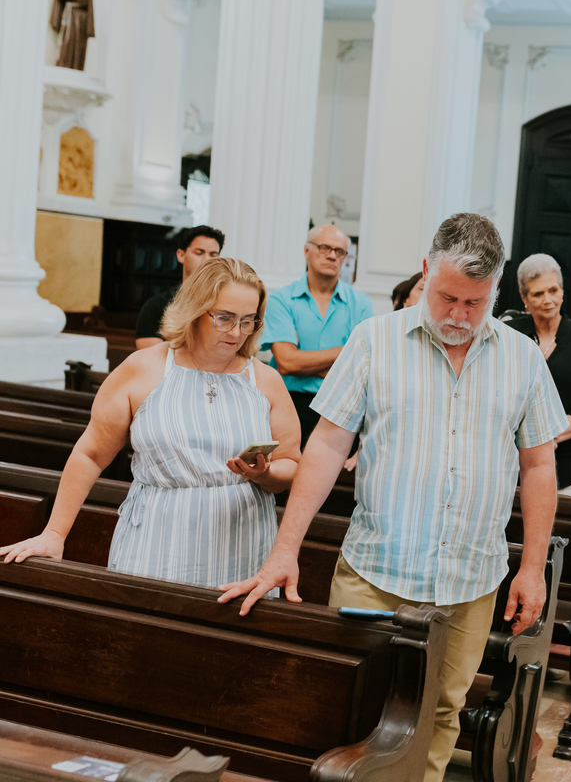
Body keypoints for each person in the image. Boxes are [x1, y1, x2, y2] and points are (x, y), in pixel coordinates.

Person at [217, 213, 567, 782]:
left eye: (474, 303)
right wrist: (285, 550)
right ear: (426, 271)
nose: (458, 316)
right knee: (358, 712)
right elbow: (327, 446)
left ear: (497, 290)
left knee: (443, 713)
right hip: (375, 571)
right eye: (448, 296)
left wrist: (532, 567)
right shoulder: (374, 341)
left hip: (471, 577)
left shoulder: (522, 357)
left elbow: (539, 464)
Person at [1, 259, 302, 590]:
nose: (236, 332)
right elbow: (90, 455)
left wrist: (266, 474)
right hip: (157, 539)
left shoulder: (266, 381)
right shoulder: (143, 369)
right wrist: (54, 534)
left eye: (248, 321)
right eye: (224, 318)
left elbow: (291, 464)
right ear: (194, 309)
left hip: (243, 546)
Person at [261, 225, 374, 448]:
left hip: (341, 406)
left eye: (340, 251)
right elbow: (286, 362)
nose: (332, 255)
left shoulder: (360, 304)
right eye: (324, 248)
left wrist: (304, 360)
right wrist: (347, 351)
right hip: (290, 403)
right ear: (307, 251)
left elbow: (364, 366)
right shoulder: (281, 300)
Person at [507, 254, 571, 497]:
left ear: (562, 292)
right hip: (513, 458)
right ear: (524, 298)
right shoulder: (511, 335)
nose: (548, 300)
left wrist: (548, 436)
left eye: (553, 290)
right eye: (538, 294)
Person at [134, 225, 225, 350]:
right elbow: (151, 360)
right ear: (181, 255)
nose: (207, 260)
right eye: (199, 253)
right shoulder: (156, 307)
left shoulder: (225, 304)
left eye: (213, 255)